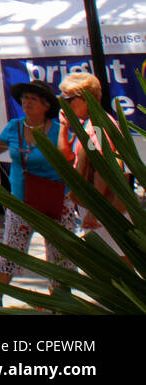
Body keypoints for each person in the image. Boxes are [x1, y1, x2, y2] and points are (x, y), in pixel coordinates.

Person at [0, 80, 78, 306]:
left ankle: (59, 302)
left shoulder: (58, 129)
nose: (27, 102)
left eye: (33, 98)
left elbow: (67, 158)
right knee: (12, 248)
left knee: (61, 254)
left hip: (55, 200)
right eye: (24, 98)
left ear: (45, 105)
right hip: (22, 201)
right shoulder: (14, 126)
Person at [57, 72, 128, 258]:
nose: (65, 104)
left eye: (69, 99)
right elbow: (65, 157)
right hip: (94, 203)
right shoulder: (86, 125)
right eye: (62, 99)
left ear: (87, 99)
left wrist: (95, 210)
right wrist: (64, 126)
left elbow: (102, 169)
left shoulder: (97, 127)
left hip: (102, 205)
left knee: (112, 259)